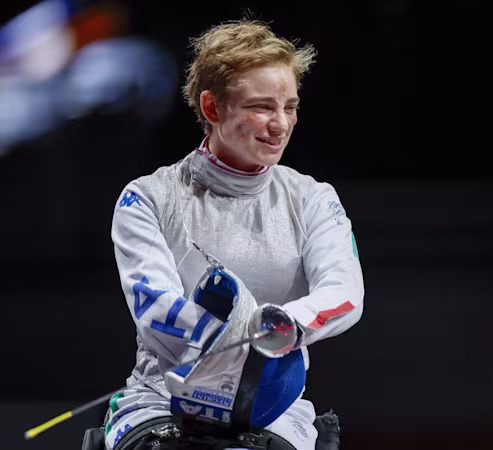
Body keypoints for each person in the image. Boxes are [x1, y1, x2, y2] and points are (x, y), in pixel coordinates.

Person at [102, 18, 364, 450]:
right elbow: (155, 308)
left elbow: (345, 292)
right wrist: (227, 342)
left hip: (273, 408)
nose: (280, 124)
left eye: (290, 107)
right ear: (212, 108)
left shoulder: (312, 199)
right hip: (162, 400)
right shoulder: (148, 197)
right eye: (261, 107)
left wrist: (285, 325)